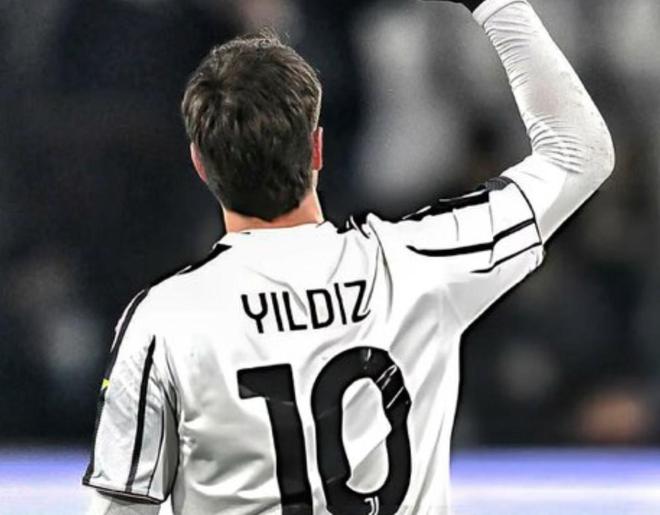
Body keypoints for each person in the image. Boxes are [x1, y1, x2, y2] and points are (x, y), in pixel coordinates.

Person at [82, 0, 615, 513]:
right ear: (316, 149)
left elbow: (118, 507)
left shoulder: (165, 321)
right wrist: (494, 4)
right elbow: (577, 153)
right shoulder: (415, 264)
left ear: (200, 164)